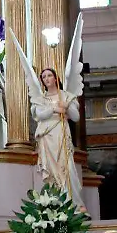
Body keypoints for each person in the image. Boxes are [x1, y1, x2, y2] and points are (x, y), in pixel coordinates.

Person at [32, 67, 86, 212]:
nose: (47, 78)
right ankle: (56, 203)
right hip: (47, 138)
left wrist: (67, 107)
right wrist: (55, 109)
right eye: (44, 77)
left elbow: (76, 117)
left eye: (50, 75)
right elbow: (40, 115)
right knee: (52, 171)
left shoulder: (66, 96)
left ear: (56, 78)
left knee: (68, 169)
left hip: (61, 134)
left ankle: (75, 204)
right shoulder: (40, 99)